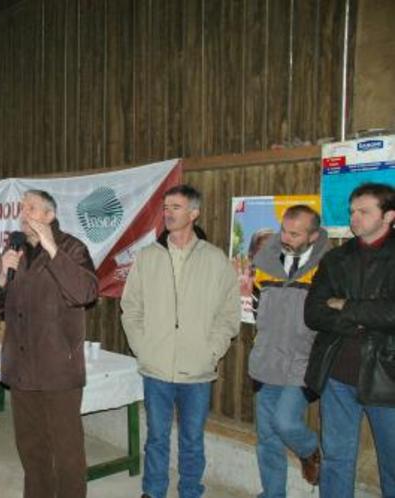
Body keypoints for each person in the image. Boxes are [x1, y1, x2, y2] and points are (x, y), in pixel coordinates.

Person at [120, 184, 240, 498]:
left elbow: (229, 314)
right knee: (157, 437)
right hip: (156, 367)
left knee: (191, 440)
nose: (168, 213)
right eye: (166, 207)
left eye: (175, 207)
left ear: (194, 213)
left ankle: (190, 491)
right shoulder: (147, 257)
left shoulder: (215, 260)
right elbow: (130, 307)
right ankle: (153, 491)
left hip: (198, 369)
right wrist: (143, 347)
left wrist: (211, 351)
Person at [0, 190, 98, 498]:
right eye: (22, 208)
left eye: (31, 208)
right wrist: (1, 280)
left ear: (49, 216)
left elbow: (86, 293)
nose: (23, 213)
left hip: (58, 369)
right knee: (32, 449)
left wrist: (52, 249)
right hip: (20, 368)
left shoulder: (72, 248)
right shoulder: (14, 248)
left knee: (68, 452)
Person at [304, 182, 395, 497]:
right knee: (336, 460)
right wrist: (363, 319)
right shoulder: (336, 258)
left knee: (392, 464)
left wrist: (345, 305)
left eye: (364, 211)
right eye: (352, 211)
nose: (354, 218)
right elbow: (313, 312)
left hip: (388, 377)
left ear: (389, 216)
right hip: (337, 375)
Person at [248, 205, 329, 496]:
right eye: (284, 230)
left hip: (301, 364)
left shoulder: (327, 267)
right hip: (266, 363)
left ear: (313, 235)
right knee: (267, 438)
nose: (286, 238)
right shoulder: (265, 262)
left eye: (295, 234)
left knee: (285, 422)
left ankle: (309, 450)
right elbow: (258, 310)